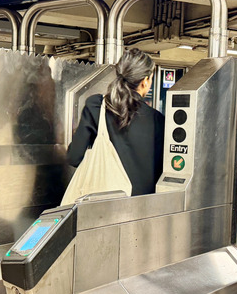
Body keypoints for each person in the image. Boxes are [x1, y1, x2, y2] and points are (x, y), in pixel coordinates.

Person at [67, 48, 165, 196]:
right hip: (144, 208)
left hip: (103, 205)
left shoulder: (96, 106)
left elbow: (73, 157)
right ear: (145, 81)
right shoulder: (158, 120)